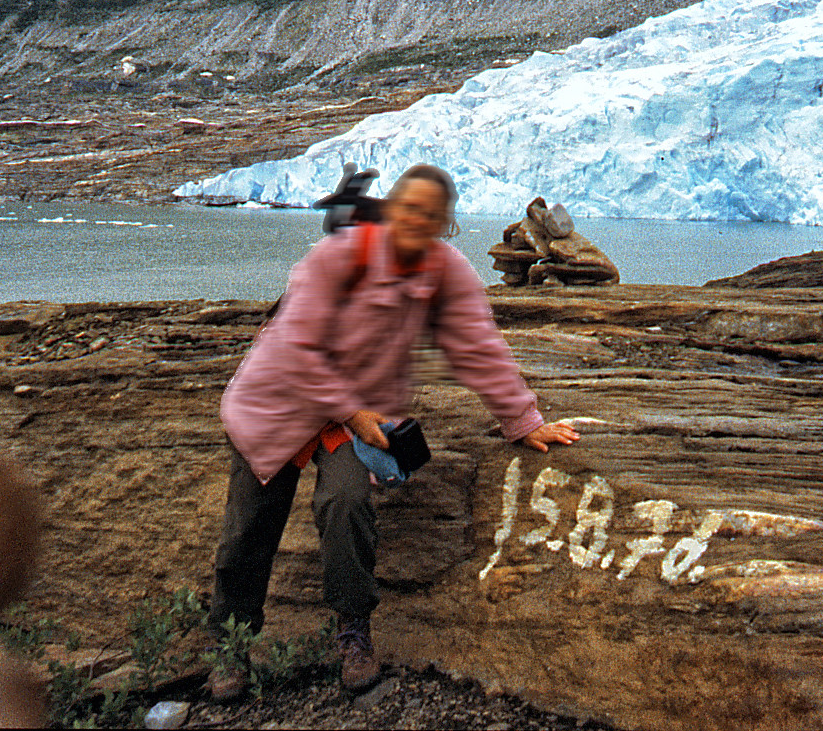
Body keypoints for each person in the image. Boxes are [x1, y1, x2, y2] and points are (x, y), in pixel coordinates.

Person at [206, 163, 579, 699]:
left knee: (346, 504)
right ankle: (230, 648)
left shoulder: (445, 269)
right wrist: (355, 414)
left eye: (430, 216)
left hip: (354, 414)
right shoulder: (335, 258)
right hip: (279, 403)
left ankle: (353, 635)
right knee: (249, 529)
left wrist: (523, 422)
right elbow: (294, 348)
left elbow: (478, 347)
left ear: (445, 224)